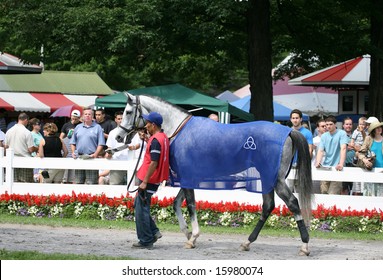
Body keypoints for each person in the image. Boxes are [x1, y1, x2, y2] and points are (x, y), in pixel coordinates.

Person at [132, 112, 169, 249]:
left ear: (153, 125)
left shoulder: (155, 140)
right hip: (155, 178)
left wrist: (145, 181)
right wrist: (147, 139)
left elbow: (154, 162)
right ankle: (153, 232)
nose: (145, 126)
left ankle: (146, 239)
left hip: (149, 179)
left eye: (147, 123)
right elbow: (156, 152)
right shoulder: (162, 137)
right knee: (140, 206)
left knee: (141, 209)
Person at [105, 111, 145, 185]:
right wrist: (109, 153)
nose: (120, 120)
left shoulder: (132, 132)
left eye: (122, 119)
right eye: (119, 119)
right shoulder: (112, 133)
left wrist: (133, 147)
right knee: (114, 185)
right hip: (117, 163)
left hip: (131, 162)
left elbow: (138, 144)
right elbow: (109, 147)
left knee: (134, 185)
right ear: (115, 120)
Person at [70, 107, 105, 184]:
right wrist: (73, 152)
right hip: (79, 157)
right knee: (78, 181)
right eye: (85, 114)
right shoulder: (78, 127)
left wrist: (95, 154)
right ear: (83, 116)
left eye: (89, 114)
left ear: (92, 116)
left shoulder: (97, 127)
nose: (87, 116)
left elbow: (101, 143)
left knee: (91, 182)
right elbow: (73, 142)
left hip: (91, 157)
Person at [315, 115, 349, 195]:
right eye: (327, 125)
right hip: (326, 166)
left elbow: (343, 148)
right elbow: (320, 150)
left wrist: (341, 163)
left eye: (330, 124)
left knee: (333, 193)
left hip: (337, 168)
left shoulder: (342, 133)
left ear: (335, 124)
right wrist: (318, 162)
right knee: (323, 192)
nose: (328, 126)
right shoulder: (324, 136)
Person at [4, 112, 36, 182]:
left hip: (12, 159)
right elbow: (30, 149)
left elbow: (5, 147)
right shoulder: (27, 132)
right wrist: (36, 148)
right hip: (25, 160)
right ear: (25, 120)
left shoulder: (9, 131)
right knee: (26, 183)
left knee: (13, 182)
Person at [288, 109, 313, 191]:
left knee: (300, 190)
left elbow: (310, 148)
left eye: (297, 118)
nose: (295, 120)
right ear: (291, 119)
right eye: (293, 118)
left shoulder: (307, 132)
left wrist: (306, 163)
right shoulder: (288, 132)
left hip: (301, 165)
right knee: (288, 190)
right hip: (289, 165)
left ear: (301, 119)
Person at [358, 121, 383, 196]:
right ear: (373, 130)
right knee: (369, 194)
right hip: (370, 170)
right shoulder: (368, 139)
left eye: (380, 127)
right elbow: (360, 152)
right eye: (377, 128)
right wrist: (365, 160)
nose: (379, 129)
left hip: (382, 170)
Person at [60, 109, 82, 184]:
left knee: (74, 169)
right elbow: (61, 137)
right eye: (72, 118)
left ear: (79, 118)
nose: (74, 120)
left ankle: (72, 182)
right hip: (67, 147)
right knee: (66, 168)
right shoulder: (66, 125)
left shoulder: (81, 125)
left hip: (76, 148)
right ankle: (64, 181)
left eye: (76, 119)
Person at [312, 119, 327, 193]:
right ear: (318, 128)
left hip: (327, 166)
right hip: (316, 166)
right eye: (322, 126)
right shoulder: (314, 140)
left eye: (326, 126)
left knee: (325, 190)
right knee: (315, 191)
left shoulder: (330, 138)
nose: (325, 127)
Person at [341, 117, 354, 195]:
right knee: (344, 188)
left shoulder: (355, 136)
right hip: (343, 164)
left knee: (354, 188)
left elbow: (359, 147)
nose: (348, 126)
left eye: (350, 124)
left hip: (354, 165)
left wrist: (351, 146)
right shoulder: (340, 135)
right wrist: (349, 146)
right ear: (343, 125)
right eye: (346, 124)